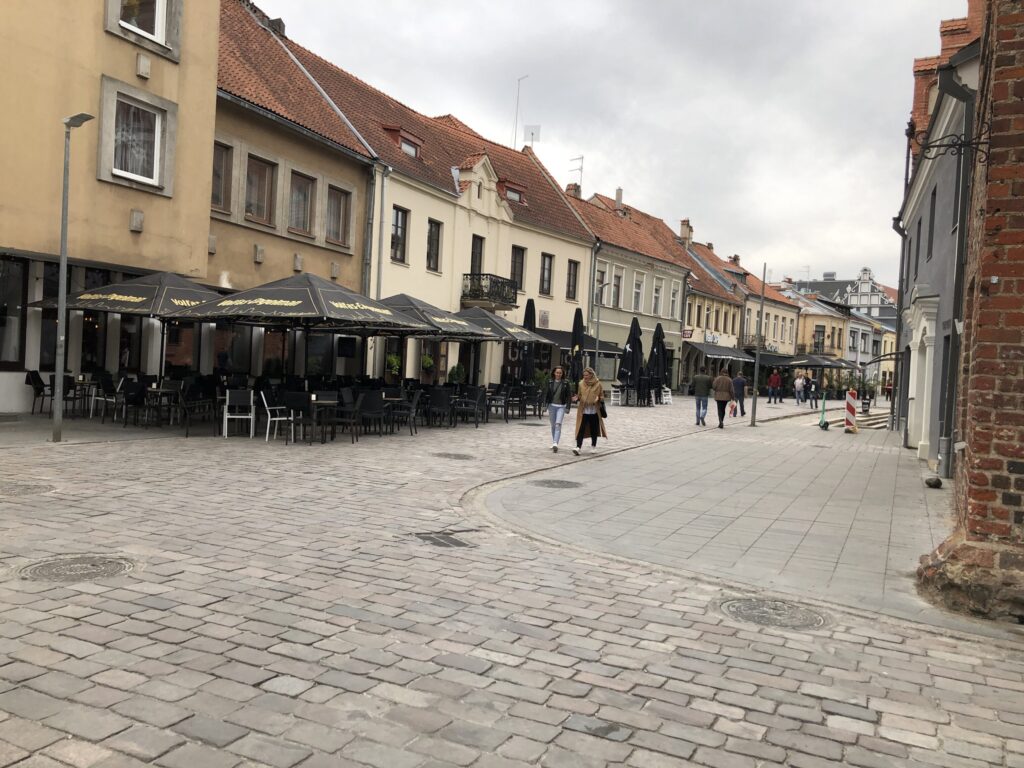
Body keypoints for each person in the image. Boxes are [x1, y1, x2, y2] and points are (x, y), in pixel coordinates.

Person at [572, 366, 606, 455]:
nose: (585, 377)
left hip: (594, 411)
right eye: (584, 375)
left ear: (591, 375)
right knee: (580, 429)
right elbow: (579, 395)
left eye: (586, 375)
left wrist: (599, 398)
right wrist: (577, 398)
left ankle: (593, 446)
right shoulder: (581, 384)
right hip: (583, 410)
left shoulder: (598, 384)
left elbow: (602, 396)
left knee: (594, 429)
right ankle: (578, 447)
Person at [544, 365, 572, 453]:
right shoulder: (550, 382)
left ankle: (555, 443)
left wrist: (568, 407)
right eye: (557, 373)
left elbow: (569, 396)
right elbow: (546, 394)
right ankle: (554, 441)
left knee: (558, 424)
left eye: (560, 373)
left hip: (561, 407)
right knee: (553, 425)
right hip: (551, 406)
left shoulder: (566, 383)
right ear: (554, 373)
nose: (558, 374)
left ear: (562, 374)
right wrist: (544, 405)